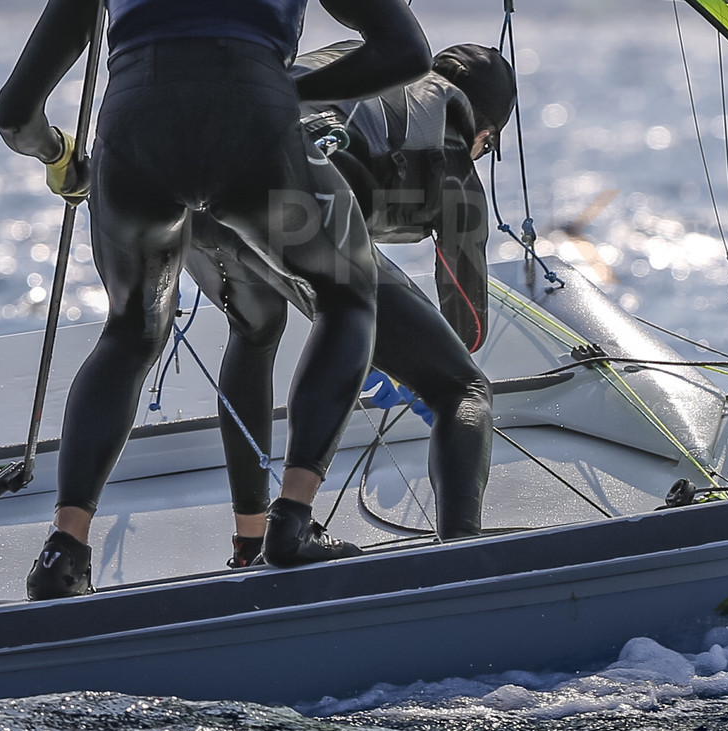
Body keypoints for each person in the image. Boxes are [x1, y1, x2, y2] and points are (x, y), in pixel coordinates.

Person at [0, 0, 431, 600]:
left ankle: (64, 549)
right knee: (344, 293)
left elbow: (16, 109)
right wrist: (281, 86)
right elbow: (405, 52)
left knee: (130, 330)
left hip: (132, 135)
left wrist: (59, 157)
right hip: (253, 136)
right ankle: (293, 525)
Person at [184, 42, 517, 562]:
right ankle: (461, 555)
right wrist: (414, 369)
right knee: (465, 389)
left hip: (192, 197)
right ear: (485, 134)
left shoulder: (381, 71)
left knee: (255, 331)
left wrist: (364, 341)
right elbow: (465, 329)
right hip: (287, 194)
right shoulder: (453, 150)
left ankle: (249, 540)